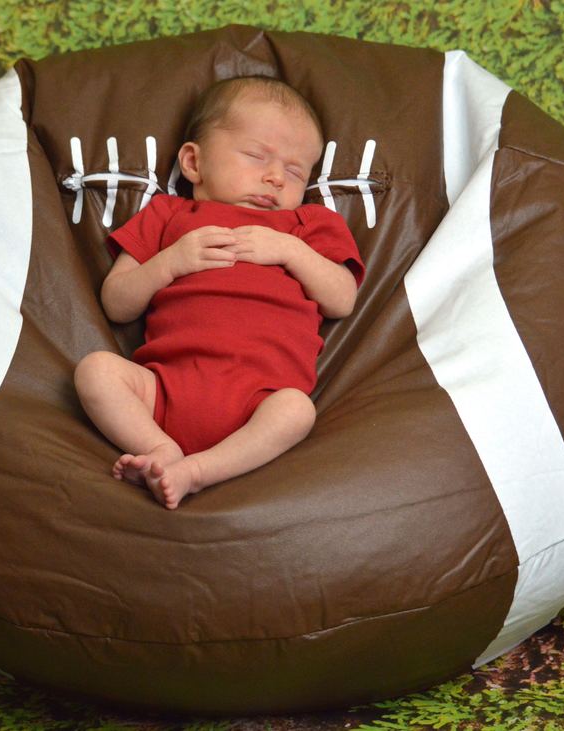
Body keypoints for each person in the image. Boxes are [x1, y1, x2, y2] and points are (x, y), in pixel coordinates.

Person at [74, 76, 364, 510]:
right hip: (165, 392)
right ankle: (161, 450)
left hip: (259, 402)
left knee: (297, 411)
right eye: (255, 156)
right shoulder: (169, 214)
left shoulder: (307, 226)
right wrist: (170, 262)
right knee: (95, 371)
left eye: (294, 171)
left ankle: (197, 472)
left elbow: (341, 298)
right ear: (193, 163)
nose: (274, 178)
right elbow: (117, 303)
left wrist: (290, 251)